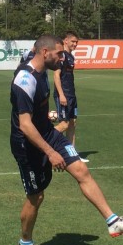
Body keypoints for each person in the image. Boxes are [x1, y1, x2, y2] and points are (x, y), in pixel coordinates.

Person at [10, 34, 123, 245]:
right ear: (45, 53)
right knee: (36, 197)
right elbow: (24, 125)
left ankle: (113, 221)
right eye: (59, 54)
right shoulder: (25, 79)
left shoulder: (43, 73)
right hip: (26, 143)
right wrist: (50, 153)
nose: (62, 58)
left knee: (81, 170)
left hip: (48, 134)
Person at [53, 31, 89, 162]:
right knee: (63, 125)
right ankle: (44, 146)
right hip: (64, 96)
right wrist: (61, 95)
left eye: (77, 42)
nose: (75, 44)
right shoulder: (61, 56)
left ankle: (72, 155)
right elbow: (56, 76)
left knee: (73, 123)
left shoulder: (70, 57)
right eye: (73, 41)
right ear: (65, 41)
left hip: (71, 95)